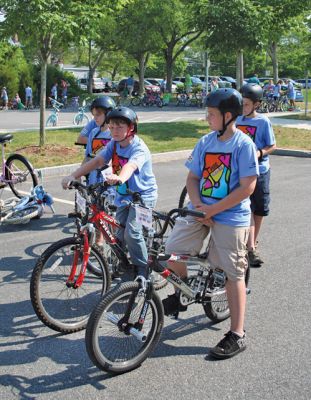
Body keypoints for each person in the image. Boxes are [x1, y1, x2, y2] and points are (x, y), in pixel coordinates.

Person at [162, 88, 259, 359]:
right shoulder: (205, 142)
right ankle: (181, 293)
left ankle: (237, 333)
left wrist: (215, 209)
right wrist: (199, 205)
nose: (207, 119)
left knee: (232, 273)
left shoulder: (243, 145)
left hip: (231, 216)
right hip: (202, 210)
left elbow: (247, 187)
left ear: (228, 116)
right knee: (172, 251)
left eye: (212, 114)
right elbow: (192, 179)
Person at [62, 107, 158, 278]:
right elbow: (98, 160)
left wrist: (120, 177)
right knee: (118, 234)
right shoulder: (113, 144)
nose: (114, 130)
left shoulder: (139, 148)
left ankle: (143, 270)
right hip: (124, 195)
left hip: (142, 196)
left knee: (132, 232)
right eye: (112, 126)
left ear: (131, 128)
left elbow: (131, 165)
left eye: (119, 127)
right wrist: (73, 175)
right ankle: (125, 266)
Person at [236, 83, 276, 266]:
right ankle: (249, 247)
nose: (242, 108)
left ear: (256, 104)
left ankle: (251, 244)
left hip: (260, 171)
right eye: (240, 104)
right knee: (246, 208)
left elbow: (272, 145)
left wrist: (259, 153)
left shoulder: (262, 121)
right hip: (240, 172)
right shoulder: (236, 120)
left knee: (258, 209)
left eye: (245, 104)